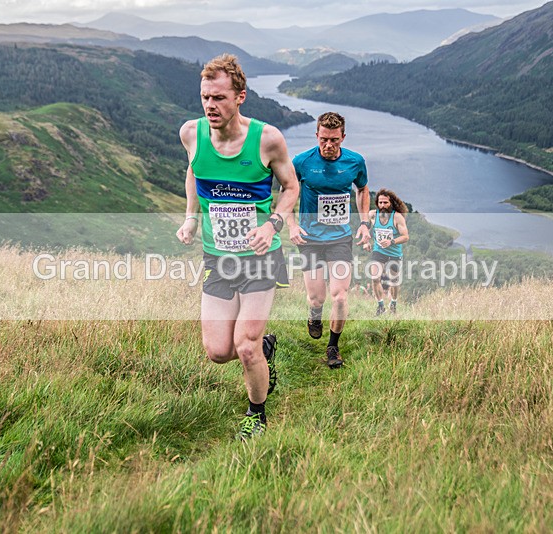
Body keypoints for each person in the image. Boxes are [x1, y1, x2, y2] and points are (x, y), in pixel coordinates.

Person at [175, 54, 299, 440]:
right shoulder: (191, 134)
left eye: (219, 98)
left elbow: (291, 187)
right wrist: (191, 216)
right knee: (217, 351)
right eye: (205, 97)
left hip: (261, 259)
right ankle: (266, 348)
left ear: (240, 96)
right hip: (218, 258)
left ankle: (256, 414)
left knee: (245, 347)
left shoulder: (267, 139)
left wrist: (273, 224)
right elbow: (194, 170)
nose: (210, 106)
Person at [287, 111, 370, 369]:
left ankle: (333, 346)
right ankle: (314, 315)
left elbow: (363, 189)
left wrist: (365, 223)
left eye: (334, 140)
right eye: (324, 139)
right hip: (309, 240)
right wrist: (291, 225)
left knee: (340, 297)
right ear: (317, 135)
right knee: (316, 298)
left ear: (343, 137)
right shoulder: (301, 162)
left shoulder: (355, 162)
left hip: (340, 239)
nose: (329, 145)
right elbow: (286, 195)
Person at [366, 189, 409, 316]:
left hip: (394, 253)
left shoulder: (397, 217)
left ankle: (393, 303)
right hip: (379, 251)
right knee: (375, 277)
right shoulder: (372, 215)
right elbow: (366, 229)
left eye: (385, 202)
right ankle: (380, 307)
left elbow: (405, 237)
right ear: (377, 203)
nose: (383, 206)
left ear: (391, 203)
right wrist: (366, 242)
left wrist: (391, 241)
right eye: (380, 203)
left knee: (393, 281)